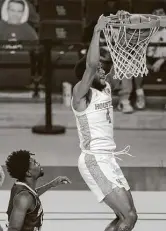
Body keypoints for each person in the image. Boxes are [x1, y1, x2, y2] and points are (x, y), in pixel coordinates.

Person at [71, 15, 137, 231]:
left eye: (102, 68)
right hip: (94, 159)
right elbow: (90, 65)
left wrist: (130, 39)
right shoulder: (81, 94)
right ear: (86, 76)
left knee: (128, 216)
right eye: (99, 69)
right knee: (127, 217)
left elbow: (121, 68)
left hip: (108, 159)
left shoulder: (105, 88)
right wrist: (97, 31)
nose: (102, 70)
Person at [5, 150, 71, 231]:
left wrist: (51, 184)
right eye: (35, 163)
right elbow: (13, 229)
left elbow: (33, 197)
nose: (38, 163)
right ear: (28, 172)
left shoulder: (22, 188)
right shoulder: (24, 197)